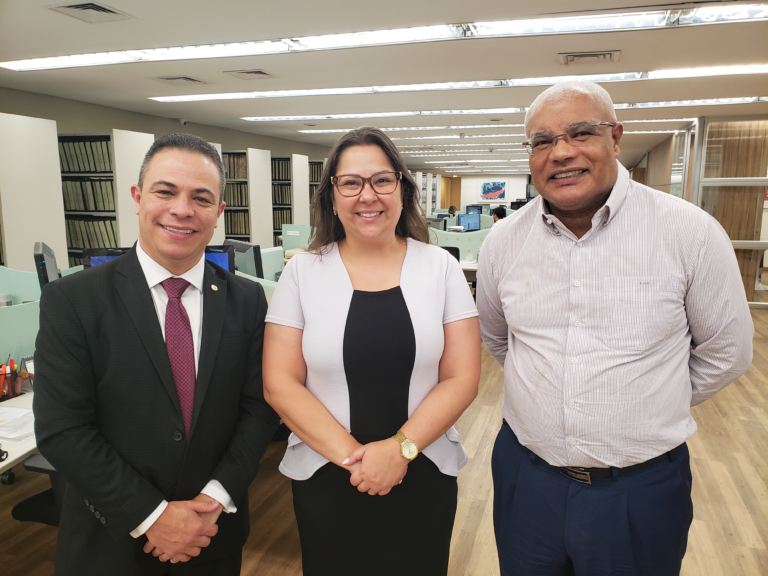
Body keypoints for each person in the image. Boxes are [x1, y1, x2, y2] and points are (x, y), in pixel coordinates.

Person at [477, 81, 754, 575]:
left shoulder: (689, 232)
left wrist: (647, 399)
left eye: (580, 133)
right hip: (527, 479)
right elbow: (500, 338)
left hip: (637, 491)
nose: (560, 153)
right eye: (541, 141)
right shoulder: (504, 241)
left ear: (616, 137)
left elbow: (727, 351)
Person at [33, 133, 279, 575]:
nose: (181, 209)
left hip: (212, 538)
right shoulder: (72, 299)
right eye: (165, 191)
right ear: (137, 197)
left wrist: (214, 499)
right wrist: (152, 516)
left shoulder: (248, 300)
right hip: (108, 541)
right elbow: (62, 428)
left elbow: (259, 410)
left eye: (201, 198)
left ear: (219, 213)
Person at [263, 127, 481, 576]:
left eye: (382, 180)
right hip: (328, 472)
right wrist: (358, 460)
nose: (368, 196)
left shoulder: (440, 266)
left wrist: (399, 451)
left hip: (424, 467)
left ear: (402, 187)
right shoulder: (302, 272)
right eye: (351, 183)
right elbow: (280, 383)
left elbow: (461, 378)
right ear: (332, 194)